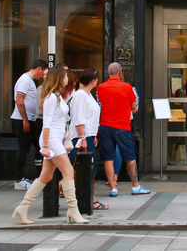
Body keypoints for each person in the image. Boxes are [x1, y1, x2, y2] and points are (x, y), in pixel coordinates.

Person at [11, 65, 89, 225]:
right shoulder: (51, 98)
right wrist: (45, 146)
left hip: (54, 140)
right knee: (68, 172)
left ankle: (23, 207)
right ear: (59, 78)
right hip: (51, 140)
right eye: (65, 76)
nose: (67, 78)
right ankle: (73, 210)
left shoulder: (57, 96)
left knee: (45, 176)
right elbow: (46, 124)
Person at [96, 62, 150, 196]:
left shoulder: (100, 88)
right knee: (130, 156)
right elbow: (134, 106)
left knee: (108, 158)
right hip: (122, 126)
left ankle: (113, 188)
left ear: (108, 73)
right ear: (120, 73)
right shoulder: (127, 87)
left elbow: (99, 105)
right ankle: (135, 186)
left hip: (105, 125)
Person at [69, 68, 107, 210]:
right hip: (82, 137)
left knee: (88, 168)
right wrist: (83, 137)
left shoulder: (87, 95)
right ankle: (90, 198)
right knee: (84, 169)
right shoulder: (80, 95)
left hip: (88, 135)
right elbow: (79, 118)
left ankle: (85, 196)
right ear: (93, 81)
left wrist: (93, 135)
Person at [12, 60, 48, 190]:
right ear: (39, 69)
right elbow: (19, 99)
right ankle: (19, 179)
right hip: (23, 120)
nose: (42, 76)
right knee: (24, 150)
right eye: (43, 72)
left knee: (37, 147)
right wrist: (25, 120)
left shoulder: (28, 80)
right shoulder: (25, 80)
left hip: (29, 119)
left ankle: (35, 177)